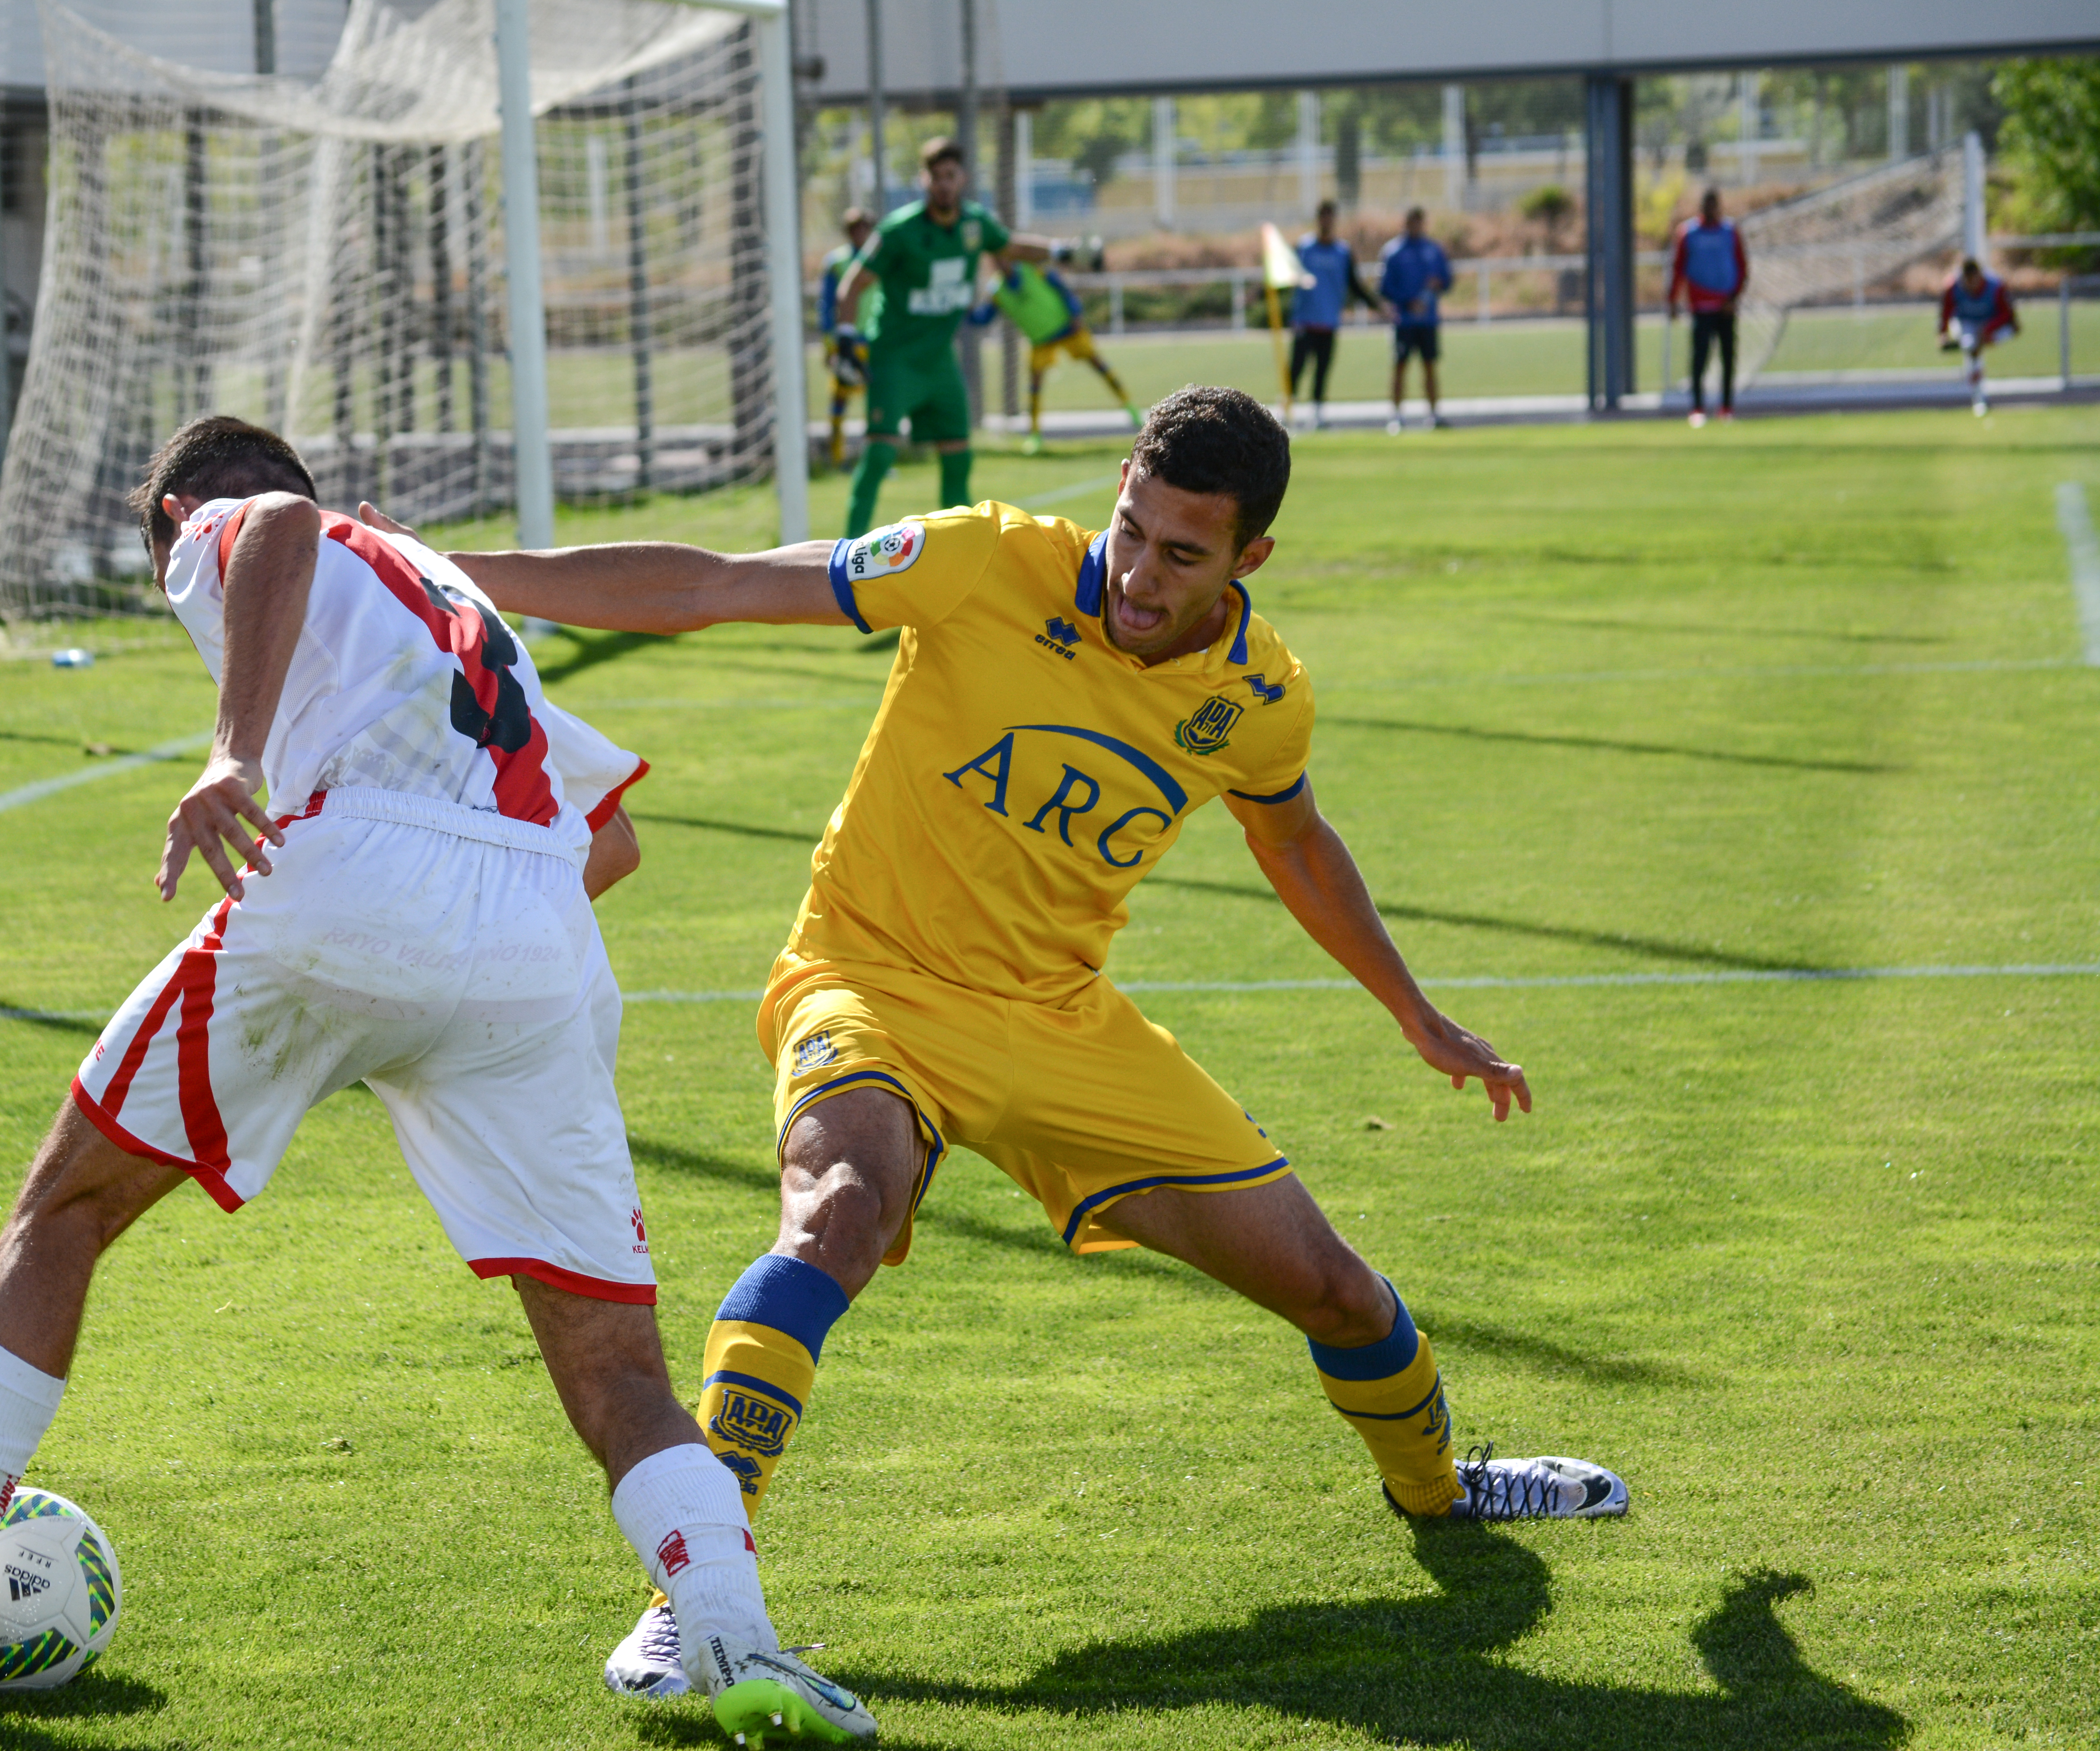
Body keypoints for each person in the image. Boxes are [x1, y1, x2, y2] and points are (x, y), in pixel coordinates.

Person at [441, 386, 1631, 1702]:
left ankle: (1441, 1490)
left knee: (1337, 1292)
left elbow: (1291, 839)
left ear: (1249, 560)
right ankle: (695, 1598)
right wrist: (455, 575)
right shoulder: (980, 559)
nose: (1136, 571)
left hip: (1059, 1021)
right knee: (835, 1209)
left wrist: (1415, 1013)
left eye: (1182, 554)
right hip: (867, 978)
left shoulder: (1257, 695)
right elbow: (716, 584)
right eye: (1130, 527)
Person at [0, 417, 873, 1747]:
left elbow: (280, 528)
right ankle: (731, 1637)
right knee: (608, 1356)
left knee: (61, 1208)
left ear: (185, 511)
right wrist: (436, 970)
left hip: (346, 873)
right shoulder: (447, 590)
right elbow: (615, 838)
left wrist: (239, 758)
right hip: (538, 943)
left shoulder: (254, 521)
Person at [835, 136, 1087, 536]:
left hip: (940, 361)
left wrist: (1061, 251)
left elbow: (1013, 246)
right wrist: (847, 341)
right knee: (881, 455)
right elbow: (851, 286)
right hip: (896, 358)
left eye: (950, 175)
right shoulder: (899, 231)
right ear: (925, 181)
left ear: (962, 178)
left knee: (958, 458)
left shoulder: (974, 225)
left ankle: (955, 553)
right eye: (936, 177)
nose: (943, 184)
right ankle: (842, 556)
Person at [966, 259, 1142, 454]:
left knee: (1099, 365)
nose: (1002, 264)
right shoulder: (997, 291)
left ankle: (1130, 407)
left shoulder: (1033, 269)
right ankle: (1035, 435)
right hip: (1041, 339)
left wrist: (1076, 314)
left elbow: (1063, 289)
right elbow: (983, 318)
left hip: (1067, 328)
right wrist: (963, 308)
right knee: (1034, 386)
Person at [1287, 199, 1385, 429]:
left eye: (1330, 216)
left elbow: (1356, 286)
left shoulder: (1343, 252)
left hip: (1329, 321)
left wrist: (1379, 306)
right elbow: (1283, 275)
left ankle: (1318, 414)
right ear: (1318, 218)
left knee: (1322, 370)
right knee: (1296, 369)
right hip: (1304, 320)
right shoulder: (1304, 248)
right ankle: (1287, 414)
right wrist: (1259, 294)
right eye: (1323, 215)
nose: (1327, 220)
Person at [1668, 188, 1748, 427]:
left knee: (1728, 358)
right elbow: (1679, 269)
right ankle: (1697, 408)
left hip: (1726, 306)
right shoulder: (1689, 233)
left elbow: (1742, 267)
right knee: (1699, 358)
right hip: (1701, 307)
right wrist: (1672, 301)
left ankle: (1726, 408)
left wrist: (1734, 298)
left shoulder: (1730, 232)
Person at [1378, 206, 1454, 433]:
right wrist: (1408, 301)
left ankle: (1433, 414)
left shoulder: (1433, 249)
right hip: (1404, 321)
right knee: (1400, 366)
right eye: (1412, 222)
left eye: (1420, 222)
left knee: (1430, 366)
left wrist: (1437, 285)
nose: (1416, 226)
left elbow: (1447, 280)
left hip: (1428, 321)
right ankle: (1397, 416)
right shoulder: (1394, 251)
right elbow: (1385, 287)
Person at [819, 207, 877, 469]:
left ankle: (876, 459)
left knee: (877, 400)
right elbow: (826, 305)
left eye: (864, 228)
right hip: (846, 342)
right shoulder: (837, 262)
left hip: (873, 340)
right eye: (855, 229)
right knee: (841, 398)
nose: (860, 234)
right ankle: (837, 455)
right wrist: (830, 344)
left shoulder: (880, 260)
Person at [1940, 256, 2020, 418]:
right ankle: (1979, 397)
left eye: (1974, 281)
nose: (1971, 285)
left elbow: (2008, 315)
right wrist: (1942, 333)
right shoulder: (1954, 286)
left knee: (1979, 344)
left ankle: (1973, 355)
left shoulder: (1996, 286)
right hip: (1967, 323)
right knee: (1973, 347)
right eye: (1968, 282)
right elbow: (1947, 311)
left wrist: (1988, 330)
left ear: (1980, 277)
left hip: (1991, 324)